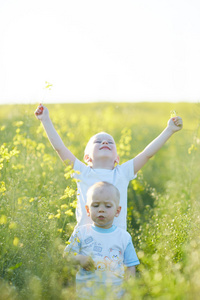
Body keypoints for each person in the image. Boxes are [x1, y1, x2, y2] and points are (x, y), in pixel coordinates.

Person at [34, 104, 183, 230]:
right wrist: (45, 120)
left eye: (110, 142)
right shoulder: (82, 172)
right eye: (98, 142)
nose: (105, 142)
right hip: (85, 242)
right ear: (87, 158)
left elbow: (146, 154)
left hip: (115, 244)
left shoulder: (122, 173)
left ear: (117, 159)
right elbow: (60, 148)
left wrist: (169, 130)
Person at [64, 181, 140, 299]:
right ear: (88, 210)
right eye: (95, 205)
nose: (101, 210)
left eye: (108, 206)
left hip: (115, 295)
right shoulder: (81, 233)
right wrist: (80, 258)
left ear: (117, 211)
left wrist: (128, 292)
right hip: (85, 295)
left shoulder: (124, 237)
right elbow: (66, 255)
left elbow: (130, 266)